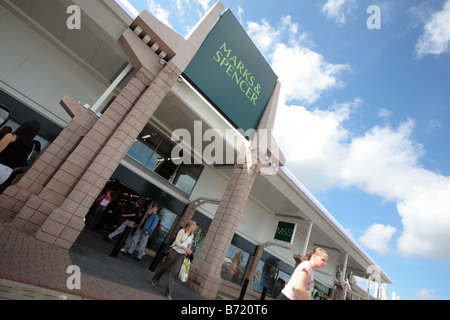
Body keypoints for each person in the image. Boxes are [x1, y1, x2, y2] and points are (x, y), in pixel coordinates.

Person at [152, 220, 197, 300]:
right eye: (194, 226)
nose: (195, 227)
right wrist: (185, 249)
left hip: (181, 255)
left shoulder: (191, 235)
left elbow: (189, 245)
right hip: (174, 252)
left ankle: (168, 293)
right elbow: (177, 242)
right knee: (165, 267)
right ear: (190, 225)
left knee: (174, 273)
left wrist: (187, 251)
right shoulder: (182, 231)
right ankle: (155, 278)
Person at [0, 120, 40, 185]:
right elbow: (22, 163)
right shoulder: (31, 146)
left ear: (23, 127)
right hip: (7, 172)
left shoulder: (11, 137)